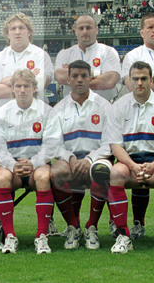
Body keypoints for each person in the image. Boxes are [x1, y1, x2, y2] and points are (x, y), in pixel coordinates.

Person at [105, 61, 154, 254]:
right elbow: (115, 145)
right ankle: (123, 235)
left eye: (144, 78)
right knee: (115, 173)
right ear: (129, 80)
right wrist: (132, 165)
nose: (139, 83)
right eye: (135, 79)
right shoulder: (119, 106)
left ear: (152, 80)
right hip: (128, 159)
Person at [0, 69, 62, 254]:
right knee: (1, 177)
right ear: (12, 89)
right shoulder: (1, 113)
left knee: (44, 176)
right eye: (18, 86)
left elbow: (51, 145)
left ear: (34, 88)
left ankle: (41, 236)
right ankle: (9, 236)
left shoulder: (47, 112)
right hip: (11, 166)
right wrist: (12, 165)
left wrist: (33, 163)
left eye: (26, 86)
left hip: (36, 166)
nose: (22, 90)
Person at [49, 60, 114, 251]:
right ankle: (73, 227)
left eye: (84, 76)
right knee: (55, 171)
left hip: (97, 158)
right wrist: (69, 158)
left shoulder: (104, 106)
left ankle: (91, 227)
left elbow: (110, 142)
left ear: (90, 78)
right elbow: (54, 143)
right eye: (75, 76)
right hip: (71, 160)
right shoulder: (58, 109)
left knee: (101, 169)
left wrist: (90, 159)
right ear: (68, 79)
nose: (79, 80)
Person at [0, 13, 53, 108]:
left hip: (36, 117)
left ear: (29, 32)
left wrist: (7, 81)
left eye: (21, 28)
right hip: (5, 118)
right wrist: (29, 82)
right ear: (8, 34)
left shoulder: (41, 55)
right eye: (13, 29)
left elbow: (41, 84)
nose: (17, 32)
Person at [54, 14, 120, 101]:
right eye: (81, 28)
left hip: (103, 107)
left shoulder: (109, 52)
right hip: (72, 108)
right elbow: (59, 76)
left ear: (96, 30)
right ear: (75, 31)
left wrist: (72, 75)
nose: (84, 31)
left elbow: (109, 81)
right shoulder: (65, 54)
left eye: (88, 28)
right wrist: (97, 73)